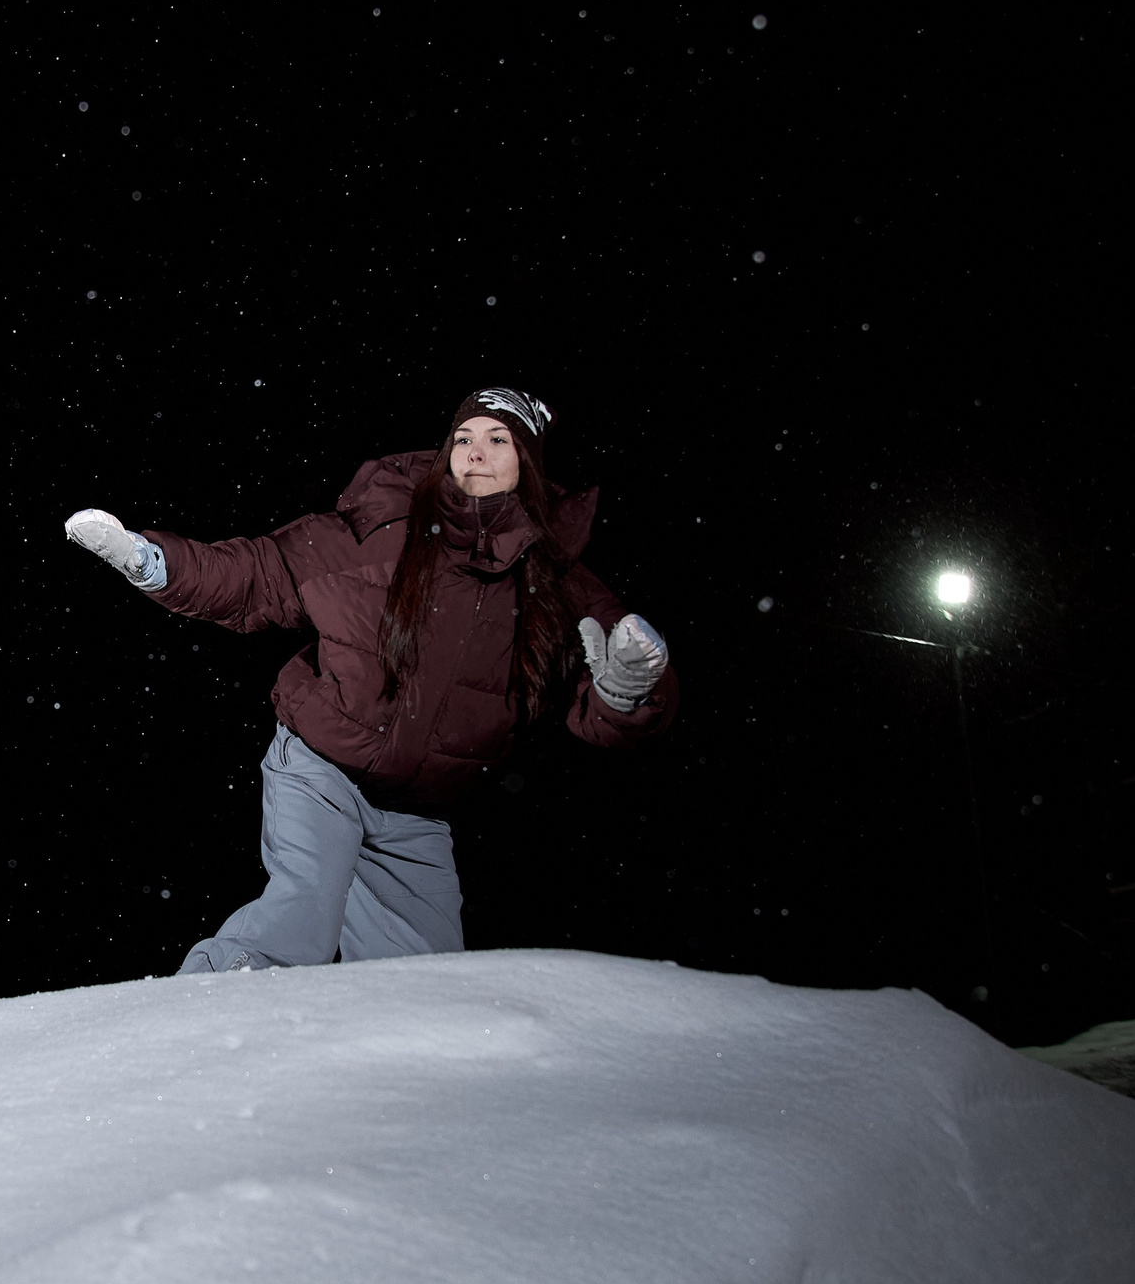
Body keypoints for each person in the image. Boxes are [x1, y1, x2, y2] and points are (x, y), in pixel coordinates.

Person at [63, 387, 677, 974]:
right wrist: (153, 563)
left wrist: (626, 694)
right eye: (462, 437)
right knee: (300, 919)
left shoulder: (552, 582)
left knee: (422, 979)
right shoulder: (378, 532)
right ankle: (200, 1013)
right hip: (322, 767)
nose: (475, 451)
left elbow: (598, 703)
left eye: (498, 439)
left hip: (417, 810)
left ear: (529, 463)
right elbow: (257, 574)